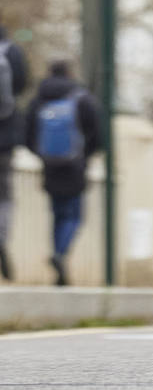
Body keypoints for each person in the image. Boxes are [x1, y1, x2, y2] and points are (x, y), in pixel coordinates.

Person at [25, 60, 102, 286]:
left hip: (50, 167)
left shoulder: (38, 100)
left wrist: (44, 155)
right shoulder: (81, 98)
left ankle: (59, 264)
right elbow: (97, 134)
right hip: (75, 166)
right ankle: (60, 254)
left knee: (57, 214)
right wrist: (83, 155)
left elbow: (28, 134)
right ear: (70, 74)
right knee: (74, 216)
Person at [0, 24, 30, 281]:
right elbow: (22, 85)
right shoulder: (12, 52)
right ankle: (1, 237)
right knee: (5, 196)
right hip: (4, 140)